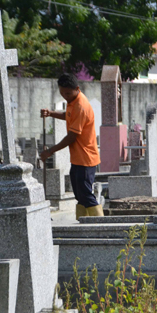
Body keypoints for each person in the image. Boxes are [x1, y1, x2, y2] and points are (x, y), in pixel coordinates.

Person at [40, 73, 103, 219]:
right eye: (62, 93)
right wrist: (51, 113)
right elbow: (68, 115)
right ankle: (84, 223)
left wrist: (50, 151)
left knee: (86, 194)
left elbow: (72, 137)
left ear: (77, 88)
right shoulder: (73, 101)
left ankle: (100, 224)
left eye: (68, 93)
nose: (65, 96)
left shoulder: (81, 106)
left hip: (86, 158)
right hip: (77, 158)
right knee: (79, 194)